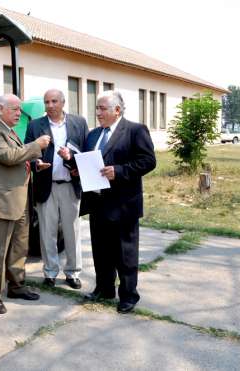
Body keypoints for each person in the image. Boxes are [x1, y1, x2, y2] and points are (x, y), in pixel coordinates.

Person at [80, 90, 156, 313]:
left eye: (102, 108)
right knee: (101, 251)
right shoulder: (93, 135)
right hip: (98, 202)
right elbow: (88, 162)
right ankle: (104, 288)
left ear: (117, 110)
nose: (98, 112)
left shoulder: (134, 130)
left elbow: (148, 161)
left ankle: (128, 295)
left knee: (125, 253)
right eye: (97, 108)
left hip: (124, 204)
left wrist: (120, 171)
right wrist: (72, 165)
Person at [0, 93, 51, 314]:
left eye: (20, 110)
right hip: (2, 200)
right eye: (14, 109)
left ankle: (17, 285)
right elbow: (9, 156)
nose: (19, 114)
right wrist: (36, 145)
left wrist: (33, 163)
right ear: (0, 109)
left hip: (19, 198)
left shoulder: (10, 131)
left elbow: (17, 159)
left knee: (20, 246)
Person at [24, 89, 88, 290]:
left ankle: (73, 272)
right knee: (47, 232)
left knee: (72, 231)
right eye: (46, 102)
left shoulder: (79, 123)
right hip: (46, 186)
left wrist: (74, 162)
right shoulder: (35, 125)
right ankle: (50, 272)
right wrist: (36, 165)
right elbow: (28, 153)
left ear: (63, 102)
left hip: (70, 185)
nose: (50, 105)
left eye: (54, 101)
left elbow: (86, 152)